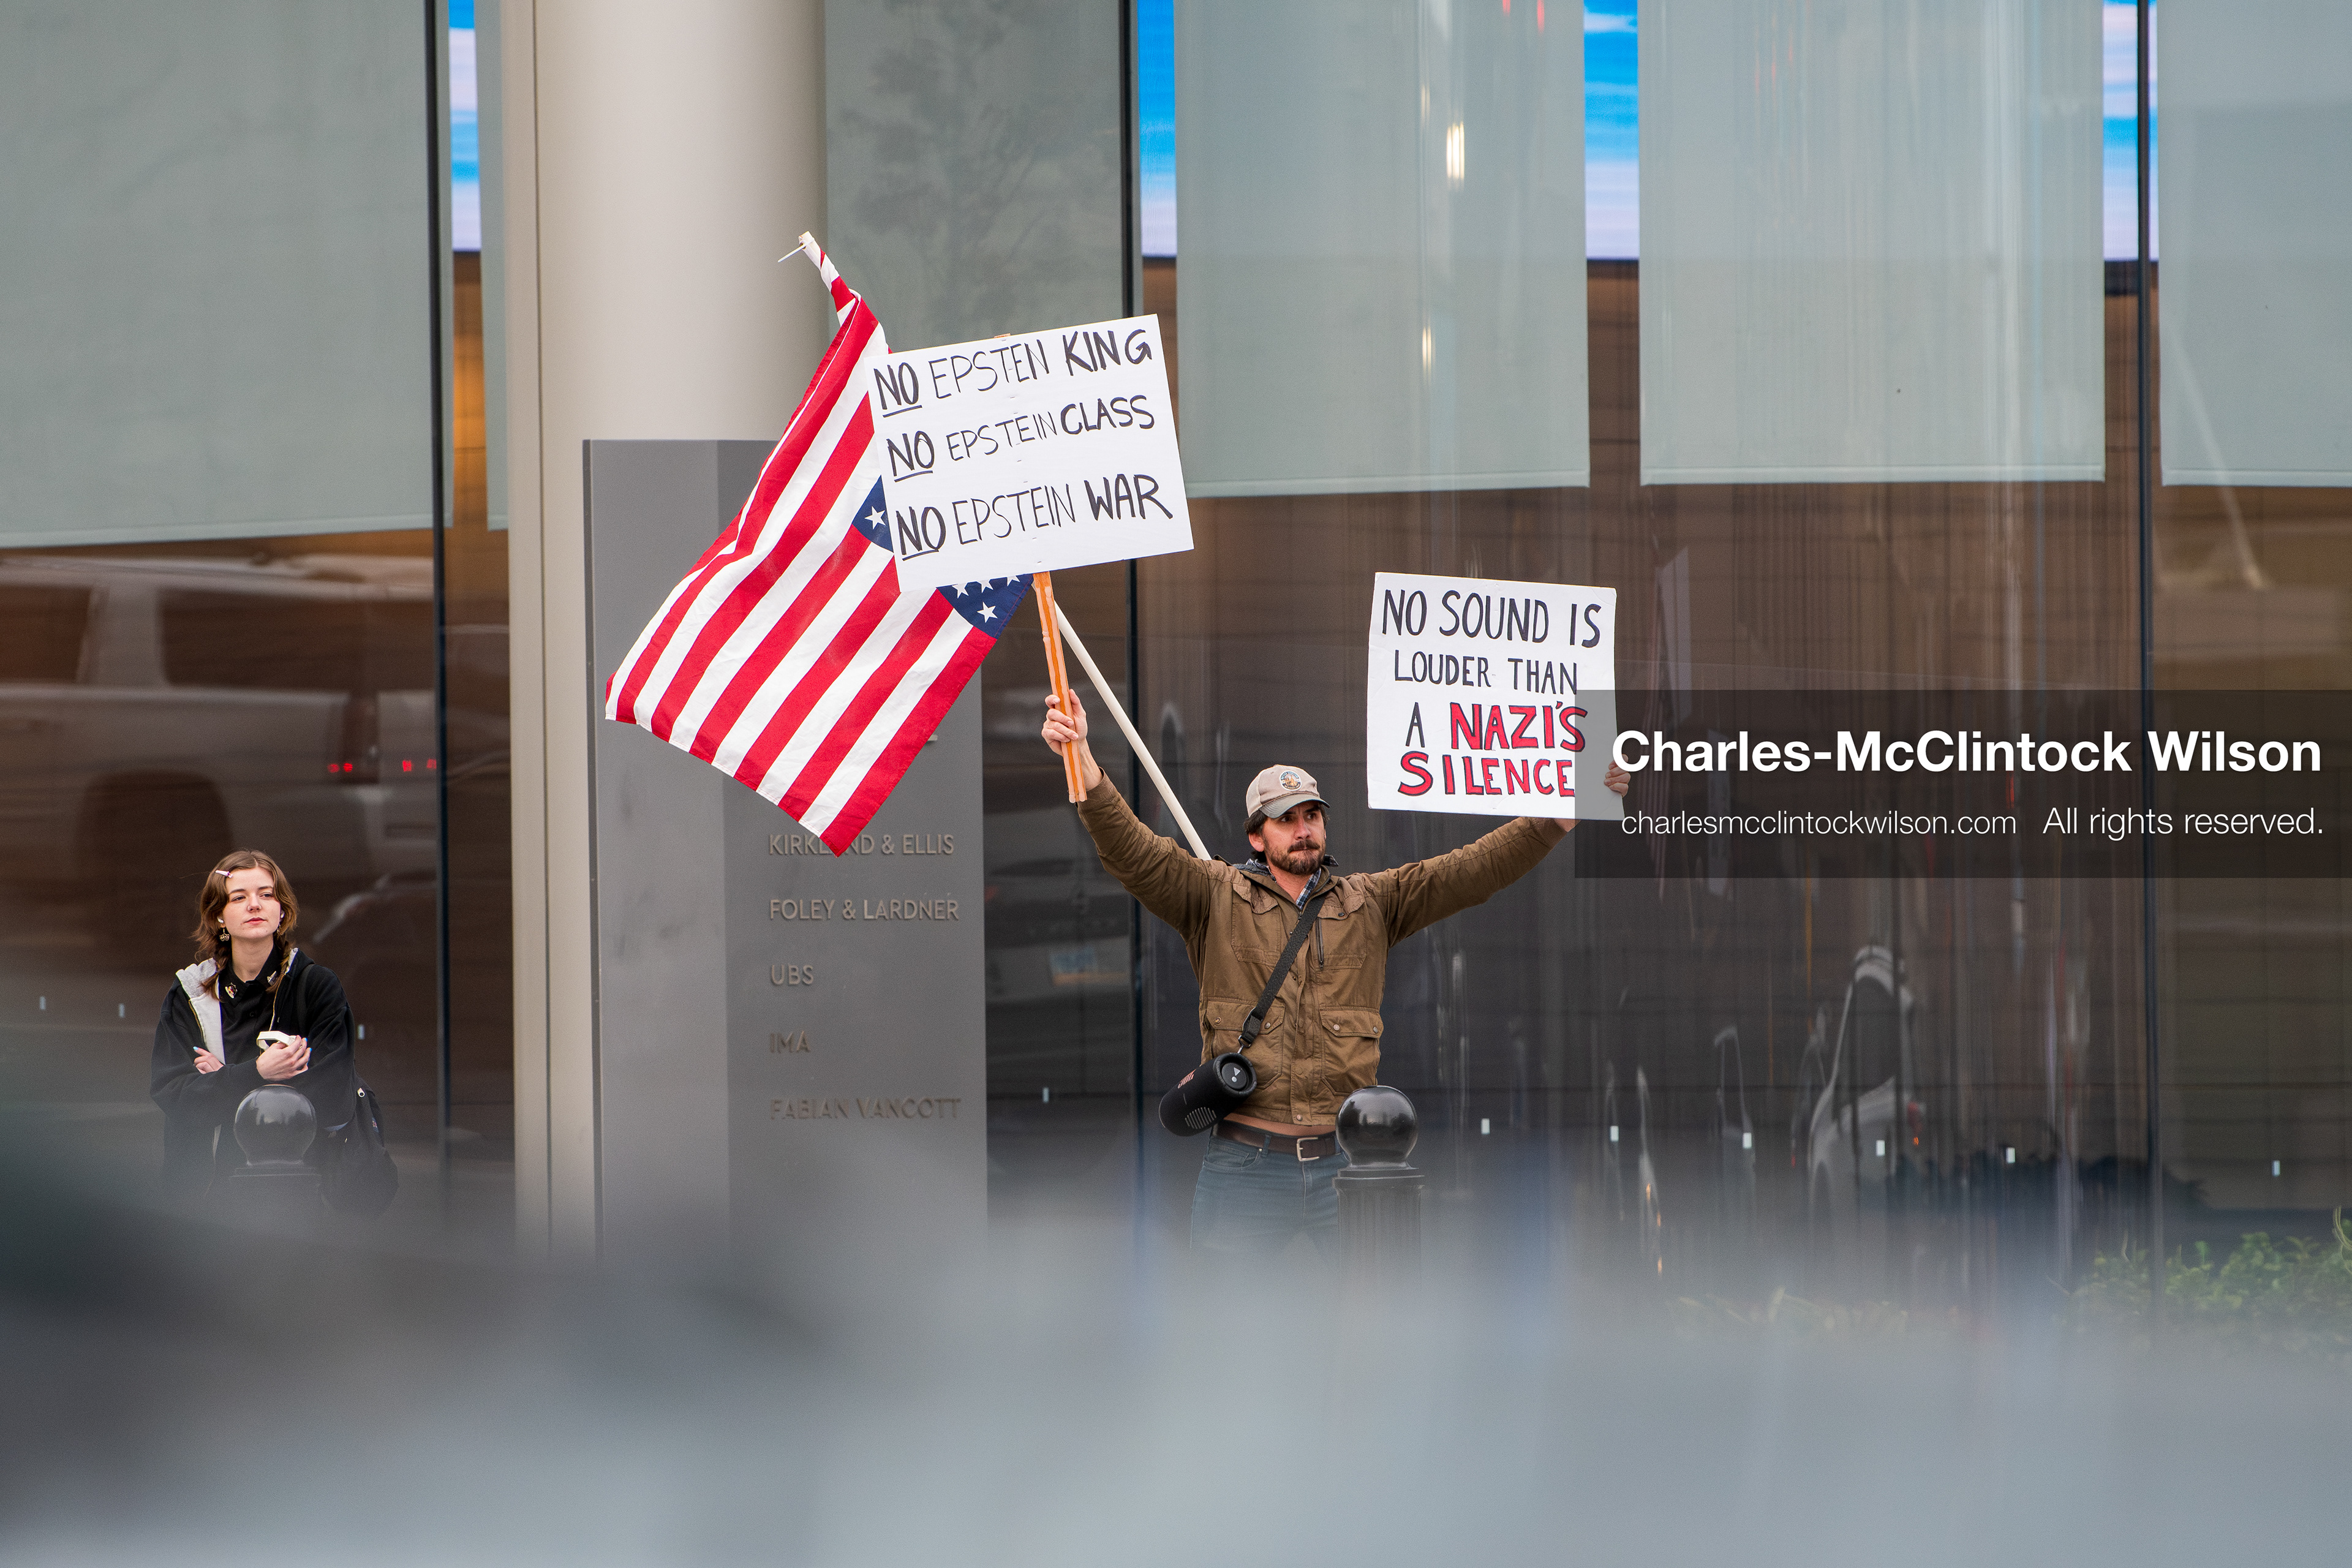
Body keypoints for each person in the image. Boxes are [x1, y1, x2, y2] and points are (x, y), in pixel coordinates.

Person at [1041, 691, 1629, 1257]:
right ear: (1256, 835)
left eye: (1312, 815)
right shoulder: (1213, 894)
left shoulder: (1371, 901)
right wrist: (1085, 762)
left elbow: (1472, 870)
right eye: (1285, 819)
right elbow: (1134, 851)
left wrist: (1560, 815)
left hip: (1349, 1168)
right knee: (1228, 1336)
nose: (1303, 829)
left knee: (1372, 1334)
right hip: (1245, 1168)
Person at [148, 849, 357, 1191]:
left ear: (283, 910)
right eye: (238, 897)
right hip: (204, 1195)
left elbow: (332, 1097)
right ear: (219, 916)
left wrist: (224, 1082)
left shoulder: (317, 986)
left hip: (301, 1192)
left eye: (266, 895)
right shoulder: (189, 993)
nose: (255, 905)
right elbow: (175, 1098)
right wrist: (260, 1073)